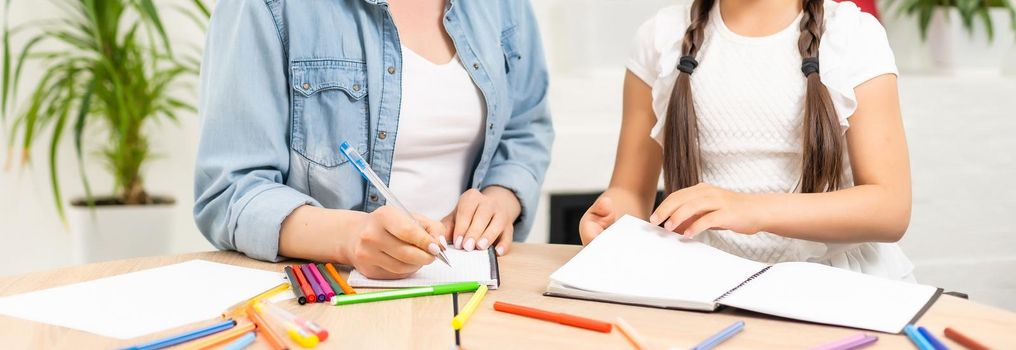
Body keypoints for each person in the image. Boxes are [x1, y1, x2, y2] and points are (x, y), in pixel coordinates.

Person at [194, 0, 552, 279]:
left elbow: (526, 128)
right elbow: (231, 192)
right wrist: (349, 237)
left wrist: (501, 198)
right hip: (333, 295)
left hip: (470, 286)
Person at [580, 0, 915, 281]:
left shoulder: (854, 36)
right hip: (708, 284)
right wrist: (612, 221)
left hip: (839, 288)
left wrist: (751, 208)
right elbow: (630, 192)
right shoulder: (659, 37)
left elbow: (889, 209)